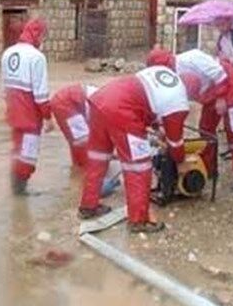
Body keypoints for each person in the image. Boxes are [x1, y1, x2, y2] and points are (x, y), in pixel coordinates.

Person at [78, 65, 189, 234]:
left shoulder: (162, 74)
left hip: (100, 100)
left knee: (98, 157)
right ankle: (139, 220)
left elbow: (145, 101)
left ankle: (88, 206)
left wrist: (158, 130)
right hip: (123, 111)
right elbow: (175, 141)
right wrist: (181, 161)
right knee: (139, 167)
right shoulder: (179, 101)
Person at [147, 48, 233, 193]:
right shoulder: (169, 76)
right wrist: (162, 126)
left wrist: (221, 98)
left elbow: (219, 74)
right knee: (205, 129)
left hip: (231, 85)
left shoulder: (192, 57)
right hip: (210, 92)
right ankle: (208, 168)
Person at [1, 18, 54, 195]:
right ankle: (20, 193)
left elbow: (5, 88)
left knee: (17, 149)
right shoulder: (37, 57)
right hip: (30, 115)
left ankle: (14, 188)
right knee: (28, 154)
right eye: (43, 37)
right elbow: (41, 93)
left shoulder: (7, 53)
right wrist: (48, 117)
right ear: (37, 34)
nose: (43, 41)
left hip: (13, 112)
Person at [50, 83, 97, 171]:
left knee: (76, 140)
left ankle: (77, 168)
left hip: (68, 99)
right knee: (81, 140)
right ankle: (85, 172)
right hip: (67, 101)